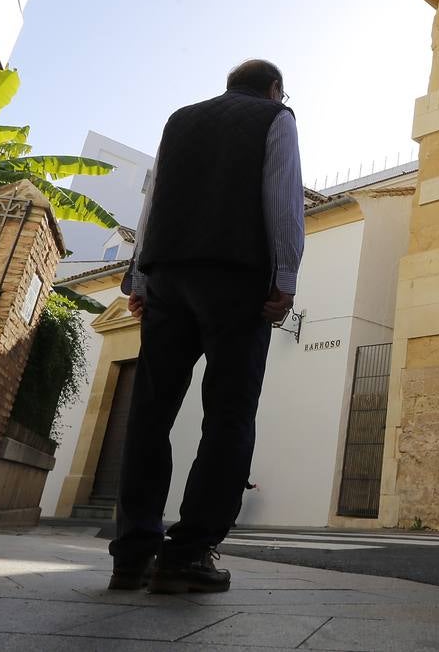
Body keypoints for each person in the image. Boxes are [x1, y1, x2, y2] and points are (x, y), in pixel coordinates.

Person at [108, 60, 304, 594]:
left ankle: (131, 554)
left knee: (150, 412)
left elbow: (151, 199)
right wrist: (284, 277)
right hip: (236, 278)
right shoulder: (276, 117)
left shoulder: (180, 119)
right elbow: (283, 199)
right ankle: (190, 552)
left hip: (168, 274)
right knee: (229, 412)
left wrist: (139, 281)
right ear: (273, 88)